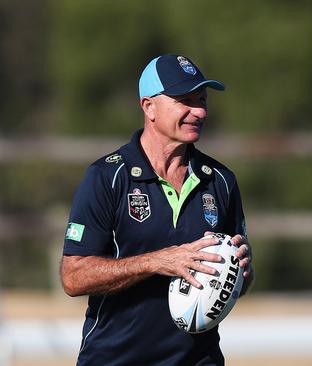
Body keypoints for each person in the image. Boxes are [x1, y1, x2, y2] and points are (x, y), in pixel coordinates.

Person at [60, 54, 254, 365]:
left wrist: (240, 272)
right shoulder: (107, 177)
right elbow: (73, 277)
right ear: (149, 107)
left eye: (202, 100)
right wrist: (157, 262)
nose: (200, 111)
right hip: (115, 358)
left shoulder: (221, 180)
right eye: (185, 101)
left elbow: (234, 284)